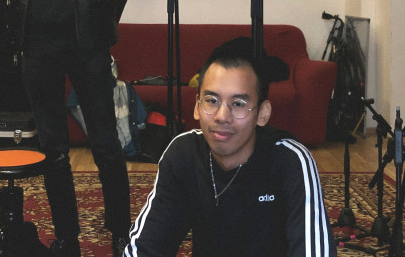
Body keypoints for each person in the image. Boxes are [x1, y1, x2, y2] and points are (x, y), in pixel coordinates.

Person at [16, 0, 134, 256]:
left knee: (106, 143)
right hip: (39, 42)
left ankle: (121, 231)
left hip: (88, 43)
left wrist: (100, 24)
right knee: (53, 148)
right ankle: (67, 237)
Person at [124, 37, 337, 257]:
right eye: (212, 101)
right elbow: (145, 247)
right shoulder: (184, 154)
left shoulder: (290, 161)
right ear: (197, 106)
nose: (222, 116)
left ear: (263, 113)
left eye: (238, 104)